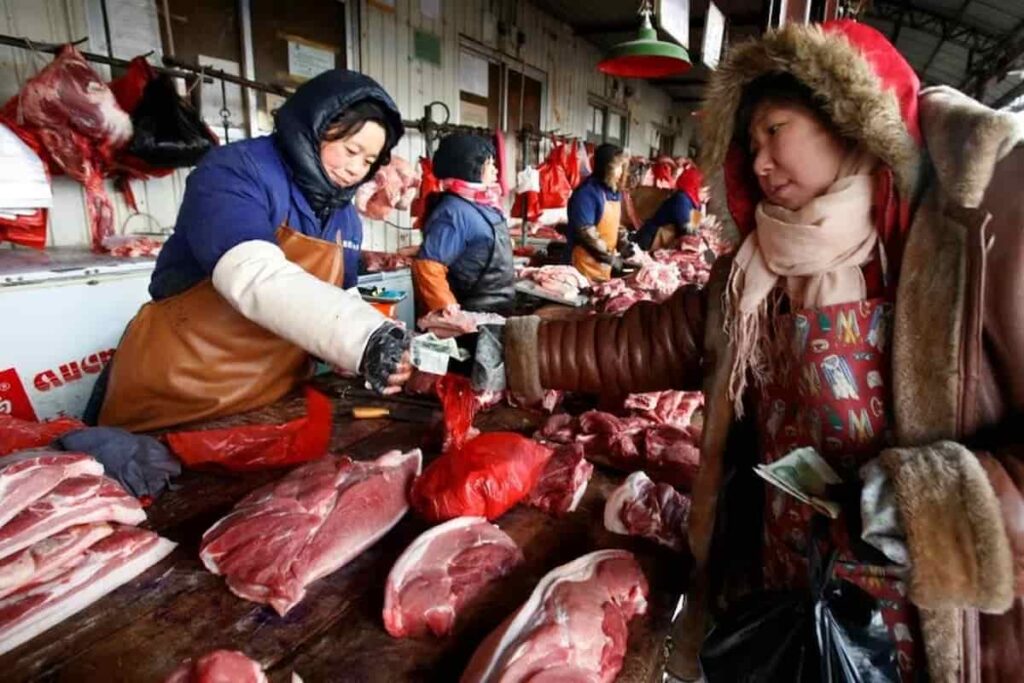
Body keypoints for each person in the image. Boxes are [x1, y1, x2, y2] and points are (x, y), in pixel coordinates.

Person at [495, 20, 1024, 682]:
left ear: (847, 116)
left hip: (923, 622)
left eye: (775, 130)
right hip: (784, 586)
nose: (762, 161)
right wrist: (509, 352)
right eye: (749, 145)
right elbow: (647, 342)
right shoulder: (757, 267)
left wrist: (944, 502)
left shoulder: (976, 242)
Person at [90, 70, 413, 433]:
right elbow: (253, 274)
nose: (355, 169)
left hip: (269, 402)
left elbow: (342, 297)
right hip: (176, 396)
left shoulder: (345, 218)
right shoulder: (235, 171)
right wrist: (361, 337)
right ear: (314, 126)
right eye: (351, 150)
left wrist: (366, 351)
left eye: (369, 161)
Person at [411, 133, 514, 316]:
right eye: (489, 164)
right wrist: (452, 314)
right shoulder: (453, 211)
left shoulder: (483, 205)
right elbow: (428, 266)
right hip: (472, 315)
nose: (495, 171)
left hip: (497, 310)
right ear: (469, 167)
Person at [564, 143, 630, 283]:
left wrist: (624, 244)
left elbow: (615, 225)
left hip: (603, 264)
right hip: (582, 266)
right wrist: (610, 258)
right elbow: (587, 235)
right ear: (605, 168)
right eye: (616, 167)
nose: (620, 172)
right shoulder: (586, 193)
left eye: (622, 166)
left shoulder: (613, 191)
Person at [632, 161, 707, 251]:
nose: (702, 190)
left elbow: (693, 228)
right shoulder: (681, 198)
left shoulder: (691, 201)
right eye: (701, 186)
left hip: (659, 243)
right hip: (650, 240)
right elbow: (687, 230)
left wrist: (700, 204)